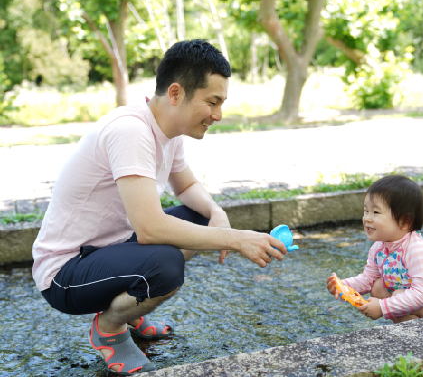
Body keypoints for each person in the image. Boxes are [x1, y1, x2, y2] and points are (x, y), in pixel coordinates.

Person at [32, 39, 287, 375]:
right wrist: (236, 239)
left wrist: (217, 216)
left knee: (200, 216)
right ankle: (109, 328)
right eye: (212, 102)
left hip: (107, 250)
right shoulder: (130, 131)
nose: (218, 115)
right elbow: (150, 228)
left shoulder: (169, 130)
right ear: (177, 93)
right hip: (65, 273)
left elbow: (188, 187)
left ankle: (131, 309)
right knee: (165, 266)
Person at [326, 175, 423, 324]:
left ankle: (417, 335)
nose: (367, 218)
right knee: (377, 287)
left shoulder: (417, 249)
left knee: (399, 294)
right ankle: (411, 333)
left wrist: (382, 307)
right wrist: (343, 287)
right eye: (366, 211)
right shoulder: (378, 249)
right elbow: (368, 280)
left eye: (376, 212)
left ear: (405, 221)